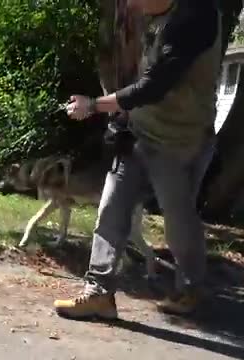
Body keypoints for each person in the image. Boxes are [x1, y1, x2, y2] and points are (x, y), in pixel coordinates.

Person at [56, 0, 221, 319]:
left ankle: (190, 289)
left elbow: (155, 86)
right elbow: (141, 77)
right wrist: (122, 116)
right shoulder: (152, 17)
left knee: (178, 220)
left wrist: (93, 105)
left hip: (179, 141)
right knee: (110, 209)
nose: (129, 4)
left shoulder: (195, 17)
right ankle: (99, 292)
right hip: (138, 131)